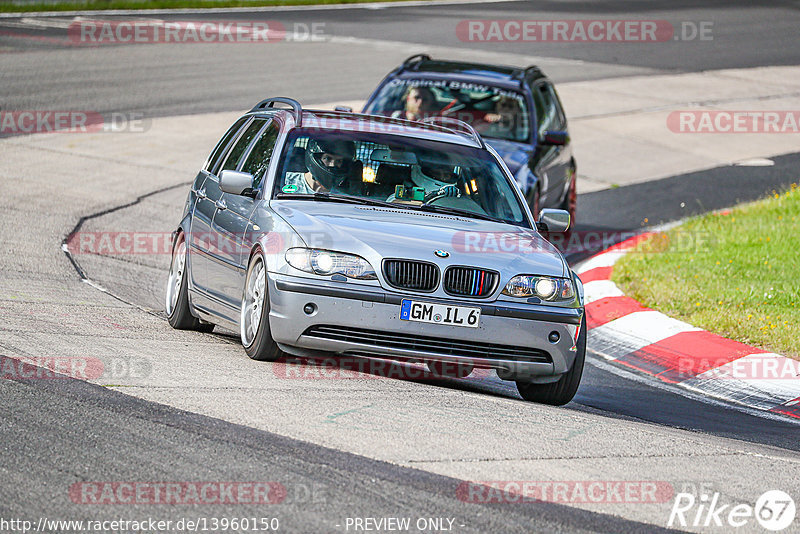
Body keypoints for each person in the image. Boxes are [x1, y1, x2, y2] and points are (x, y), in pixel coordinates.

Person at [283, 138, 357, 194]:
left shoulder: (343, 195)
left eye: (339, 161)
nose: (332, 165)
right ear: (316, 158)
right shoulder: (287, 181)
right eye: (328, 158)